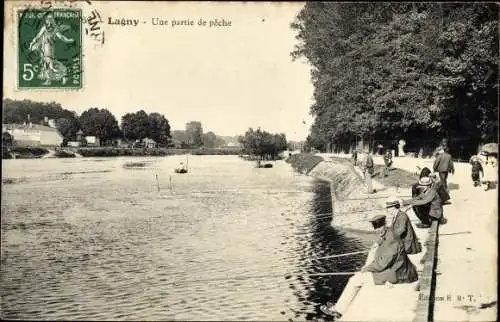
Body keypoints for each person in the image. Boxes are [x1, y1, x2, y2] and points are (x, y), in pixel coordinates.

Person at [320, 215, 418, 318]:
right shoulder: (389, 232)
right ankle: (339, 305)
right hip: (395, 268)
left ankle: (338, 310)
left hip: (398, 273)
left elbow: (381, 264)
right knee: (357, 277)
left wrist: (367, 268)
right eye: (376, 228)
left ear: (384, 225)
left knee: (356, 279)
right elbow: (383, 245)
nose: (377, 230)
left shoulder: (391, 239)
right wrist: (378, 243)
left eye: (379, 228)